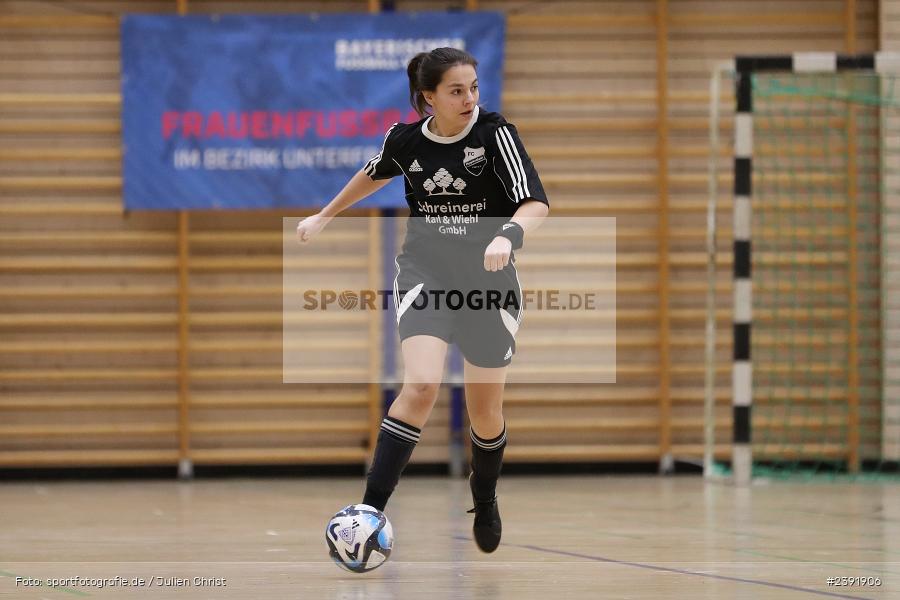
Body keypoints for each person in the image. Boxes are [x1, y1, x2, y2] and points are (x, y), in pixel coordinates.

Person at [296, 47, 549, 553]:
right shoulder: (405, 139)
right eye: (457, 90)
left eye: (474, 87)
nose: (470, 98)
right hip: (425, 273)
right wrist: (325, 215)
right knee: (422, 385)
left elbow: (534, 201)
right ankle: (368, 512)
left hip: (488, 284)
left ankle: (485, 492)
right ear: (428, 99)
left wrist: (509, 235)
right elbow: (374, 173)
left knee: (485, 414)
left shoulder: (495, 134)